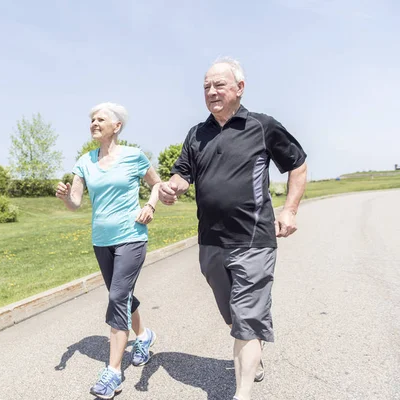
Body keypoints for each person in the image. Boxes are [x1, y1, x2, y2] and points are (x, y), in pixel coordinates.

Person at [159, 57, 307, 400]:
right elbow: (182, 173)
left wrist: (290, 210)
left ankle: (241, 393)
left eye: (219, 85)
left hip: (254, 238)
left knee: (247, 317)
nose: (211, 92)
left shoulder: (262, 126)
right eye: (206, 87)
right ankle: (252, 349)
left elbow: (297, 166)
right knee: (233, 314)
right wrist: (172, 188)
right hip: (211, 241)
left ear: (239, 88)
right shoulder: (197, 133)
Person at [56, 102, 162, 399]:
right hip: (101, 240)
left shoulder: (134, 156)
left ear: (117, 126)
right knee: (123, 294)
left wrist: (150, 206)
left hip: (131, 236)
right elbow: (76, 202)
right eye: (91, 119)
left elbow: (157, 184)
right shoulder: (84, 162)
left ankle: (113, 372)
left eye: (100, 119)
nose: (93, 122)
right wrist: (66, 197)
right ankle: (143, 337)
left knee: (117, 296)